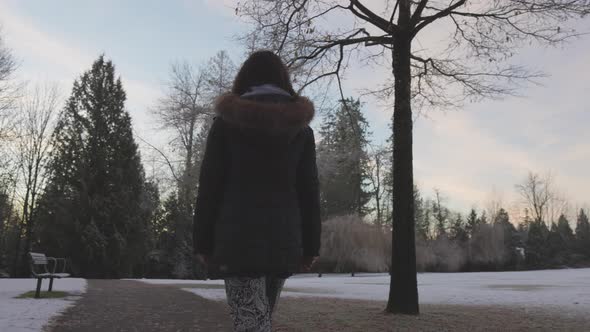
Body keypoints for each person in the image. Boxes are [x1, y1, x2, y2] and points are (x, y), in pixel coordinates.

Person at [193, 50, 321, 332]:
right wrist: (310, 247)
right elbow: (309, 192)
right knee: (260, 322)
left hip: (236, 241)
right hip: (284, 241)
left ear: (244, 79)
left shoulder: (226, 125)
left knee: (251, 323)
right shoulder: (301, 131)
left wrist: (202, 242)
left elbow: (210, 187)